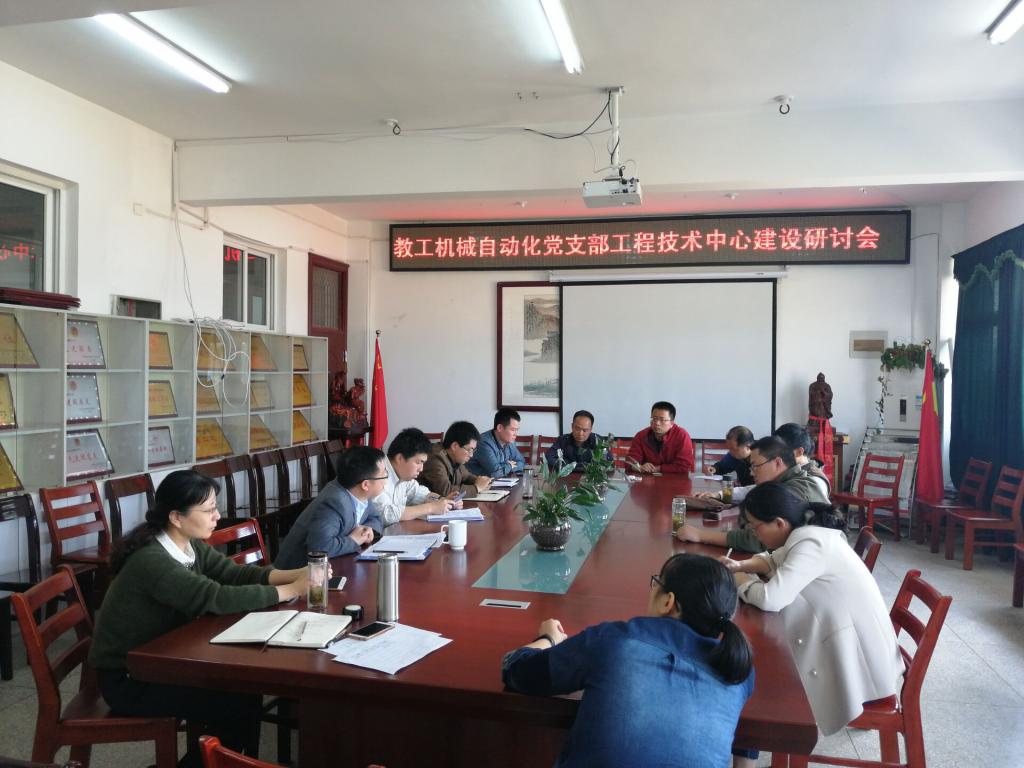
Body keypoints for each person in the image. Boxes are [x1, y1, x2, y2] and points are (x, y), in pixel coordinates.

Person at [89, 470, 310, 768]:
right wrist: (291, 590)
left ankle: (229, 762)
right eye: (208, 510)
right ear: (176, 517)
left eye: (215, 508)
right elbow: (214, 597)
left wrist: (298, 574)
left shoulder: (187, 544)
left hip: (161, 661)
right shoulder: (152, 560)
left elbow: (234, 574)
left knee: (244, 694)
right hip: (130, 678)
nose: (217, 516)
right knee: (236, 703)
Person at [502, 553, 754, 768]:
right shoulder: (738, 670)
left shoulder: (615, 641)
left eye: (656, 582)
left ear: (668, 602)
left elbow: (518, 673)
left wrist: (548, 638)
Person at [723, 482, 903, 736]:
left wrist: (741, 580)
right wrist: (739, 566)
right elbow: (773, 560)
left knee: (764, 674)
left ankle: (775, 733)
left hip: (859, 664)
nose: (754, 535)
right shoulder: (805, 533)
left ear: (779, 523)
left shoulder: (812, 543)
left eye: (755, 527)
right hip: (848, 640)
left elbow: (771, 599)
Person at [679, 435, 830, 553]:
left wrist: (700, 536)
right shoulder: (782, 483)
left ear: (778, 463)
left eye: (755, 466)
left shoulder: (794, 490)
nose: (751, 473)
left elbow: (758, 540)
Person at [274, 446, 386, 569]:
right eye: (384, 475)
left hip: (333, 565)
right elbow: (319, 548)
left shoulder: (358, 491)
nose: (386, 480)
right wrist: (354, 540)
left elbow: (376, 518)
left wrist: (368, 530)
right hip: (297, 574)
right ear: (365, 484)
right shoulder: (335, 502)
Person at [375, 427, 456, 524]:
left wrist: (441, 500)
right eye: (418, 462)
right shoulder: (377, 473)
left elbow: (419, 492)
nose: (421, 469)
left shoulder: (403, 475)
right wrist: (430, 508)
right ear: (400, 458)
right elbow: (386, 514)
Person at [421, 420, 493, 497]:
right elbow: (445, 491)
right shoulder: (435, 459)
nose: (471, 455)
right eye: (469, 450)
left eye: (473, 450)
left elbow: (467, 477)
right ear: (454, 446)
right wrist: (476, 488)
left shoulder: (454, 458)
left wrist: (482, 481)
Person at [626, 400, 695, 474]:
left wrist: (658, 468)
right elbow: (630, 462)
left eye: (662, 420)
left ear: (672, 423)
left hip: (674, 479)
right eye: (654, 418)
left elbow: (684, 466)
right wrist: (639, 467)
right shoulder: (641, 435)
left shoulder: (682, 436)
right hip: (647, 479)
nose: (657, 423)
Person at [466, 408, 527, 478]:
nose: (516, 434)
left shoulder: (510, 442)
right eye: (513, 430)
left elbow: (522, 462)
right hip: (476, 482)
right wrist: (510, 465)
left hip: (499, 481)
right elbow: (495, 473)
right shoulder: (484, 442)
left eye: (517, 430)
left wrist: (504, 467)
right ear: (500, 428)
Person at [773, 422, 831, 496]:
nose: (776, 455)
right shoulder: (794, 470)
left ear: (799, 452)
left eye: (781, 450)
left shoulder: (813, 482)